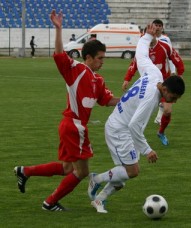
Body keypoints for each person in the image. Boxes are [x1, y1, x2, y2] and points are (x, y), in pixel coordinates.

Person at [14, 9, 119, 211]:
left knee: (67, 168)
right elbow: (59, 54)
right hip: (74, 126)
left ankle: (25, 171)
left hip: (74, 127)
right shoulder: (76, 70)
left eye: (104, 58)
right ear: (88, 57)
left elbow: (107, 100)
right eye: (100, 58)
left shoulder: (98, 80)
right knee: (81, 171)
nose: (102, 62)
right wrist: (59, 29)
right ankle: (50, 202)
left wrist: (131, 100)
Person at [87, 23, 185, 213]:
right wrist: (147, 150)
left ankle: (99, 200)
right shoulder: (150, 99)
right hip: (119, 129)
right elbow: (134, 127)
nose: (172, 101)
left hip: (120, 126)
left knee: (122, 175)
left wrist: (147, 37)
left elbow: (141, 55)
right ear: (165, 89)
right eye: (172, 97)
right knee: (132, 171)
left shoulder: (155, 74)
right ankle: (95, 179)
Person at [122, 30, 184, 146]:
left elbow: (176, 58)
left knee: (167, 110)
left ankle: (161, 132)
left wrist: (180, 73)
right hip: (147, 85)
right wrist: (127, 79)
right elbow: (134, 64)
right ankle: (130, 135)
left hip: (165, 85)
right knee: (139, 112)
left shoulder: (165, 46)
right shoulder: (143, 50)